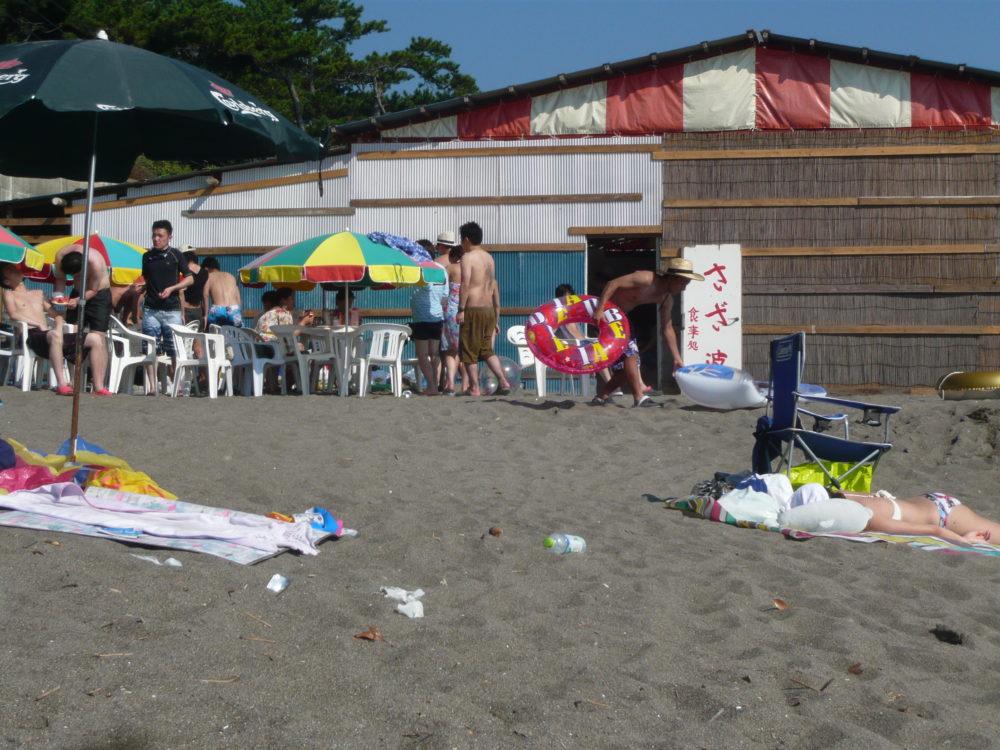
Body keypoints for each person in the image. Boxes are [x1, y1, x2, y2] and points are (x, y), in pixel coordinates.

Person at [589, 258, 704, 408]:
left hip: (622, 317)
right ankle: (639, 398)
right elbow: (613, 283)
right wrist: (599, 309)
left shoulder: (666, 299)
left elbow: (667, 328)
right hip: (606, 311)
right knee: (631, 353)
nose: (684, 288)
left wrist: (677, 358)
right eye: (683, 283)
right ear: (672, 278)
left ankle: (601, 397)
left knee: (628, 368)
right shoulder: (646, 278)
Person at [1, 262, 109, 396]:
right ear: (7, 281)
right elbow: (13, 315)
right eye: (10, 270)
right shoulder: (9, 294)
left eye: (14, 267)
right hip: (31, 335)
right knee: (55, 335)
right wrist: (38, 324)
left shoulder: (39, 293)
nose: (15, 269)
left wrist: (58, 325)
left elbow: (55, 315)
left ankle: (98, 387)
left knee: (95, 338)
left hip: (49, 335)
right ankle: (62, 385)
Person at [455, 221, 512, 396]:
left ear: (466, 239)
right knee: (487, 350)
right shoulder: (489, 258)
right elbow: (491, 284)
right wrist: (496, 318)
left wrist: (461, 309)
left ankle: (474, 387)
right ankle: (503, 381)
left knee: (468, 351)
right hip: (488, 309)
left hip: (473, 308)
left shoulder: (468, 258)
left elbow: (465, 284)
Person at [52, 240, 114, 395]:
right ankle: (73, 381)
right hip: (77, 293)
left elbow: (94, 289)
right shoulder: (60, 255)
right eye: (73, 276)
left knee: (98, 337)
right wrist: (58, 296)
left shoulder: (95, 261)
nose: (75, 277)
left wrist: (78, 300)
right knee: (71, 334)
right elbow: (60, 279)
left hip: (99, 295)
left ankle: (99, 386)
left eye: (78, 274)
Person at [830, 489, 999, 546]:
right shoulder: (841, 494)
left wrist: (965, 540)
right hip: (925, 501)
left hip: (944, 516)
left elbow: (933, 531)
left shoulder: (867, 516)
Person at [140, 220, 193, 380]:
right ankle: (152, 386)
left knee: (174, 349)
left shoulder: (176, 255)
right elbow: (148, 280)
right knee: (150, 348)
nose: (156, 239)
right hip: (151, 309)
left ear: (169, 237)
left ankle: (177, 384)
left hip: (172, 309)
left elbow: (190, 279)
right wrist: (141, 289)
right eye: (154, 235)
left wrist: (172, 288)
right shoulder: (147, 256)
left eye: (160, 236)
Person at [409, 239, 447, 395]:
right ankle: (435, 384)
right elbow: (445, 294)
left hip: (421, 317)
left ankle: (431, 385)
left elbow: (426, 287)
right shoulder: (441, 269)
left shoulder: (420, 268)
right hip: (437, 315)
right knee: (434, 353)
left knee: (422, 354)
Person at [436, 231, 464, 395]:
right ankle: (467, 385)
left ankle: (449, 383)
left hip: (450, 311)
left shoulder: (445, 266)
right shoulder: (470, 269)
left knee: (448, 350)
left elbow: (441, 290)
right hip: (467, 311)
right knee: (463, 351)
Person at [201, 256, 243, 328]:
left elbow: (205, 295)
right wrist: (238, 311)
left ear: (206, 269)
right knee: (235, 332)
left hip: (218, 309)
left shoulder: (208, 277)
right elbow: (238, 299)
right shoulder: (231, 276)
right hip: (234, 308)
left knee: (214, 332)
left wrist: (205, 314)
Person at [180, 247, 208, 327]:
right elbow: (205, 295)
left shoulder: (183, 272)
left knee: (184, 334)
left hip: (185, 309)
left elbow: (181, 292)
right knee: (198, 334)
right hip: (198, 310)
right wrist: (205, 315)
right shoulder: (205, 272)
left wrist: (182, 314)